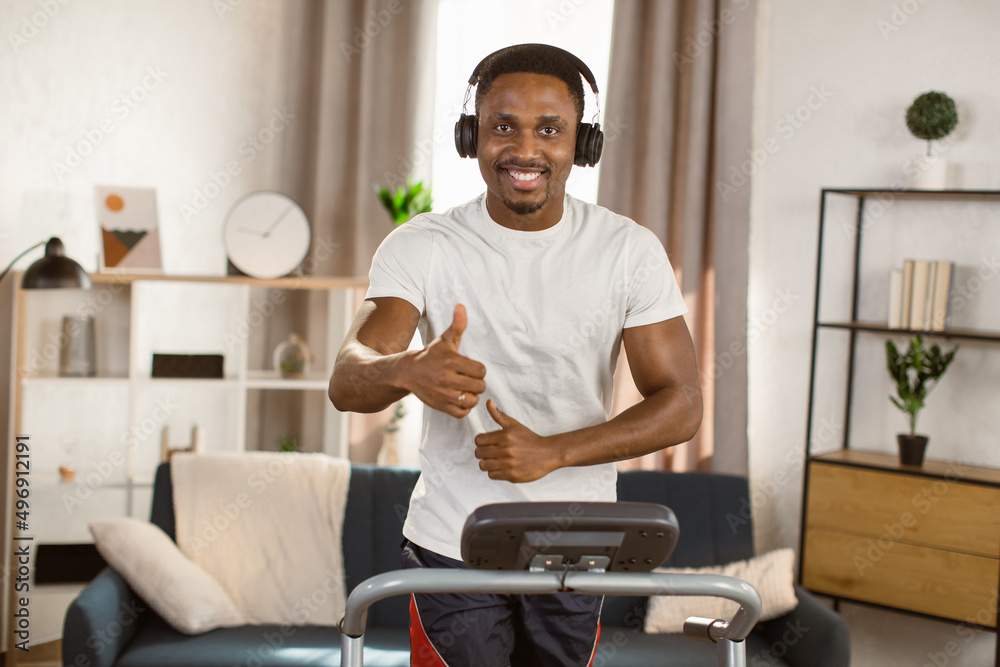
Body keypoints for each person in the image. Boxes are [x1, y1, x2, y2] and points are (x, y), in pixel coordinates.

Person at [329, 43, 702, 667]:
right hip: (454, 540)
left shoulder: (629, 251)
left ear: (581, 144)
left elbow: (682, 404)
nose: (525, 150)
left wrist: (554, 451)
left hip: (579, 544)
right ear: (472, 136)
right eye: (503, 126)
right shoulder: (422, 245)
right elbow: (348, 378)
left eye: (550, 130)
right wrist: (406, 370)